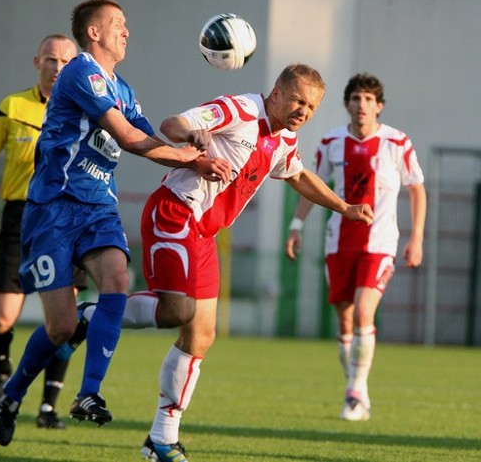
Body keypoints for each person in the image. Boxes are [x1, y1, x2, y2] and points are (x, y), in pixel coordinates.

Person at [0, 0, 230, 447]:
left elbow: (148, 131)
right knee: (60, 327)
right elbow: (127, 137)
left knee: (118, 278)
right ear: (94, 33)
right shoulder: (80, 72)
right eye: (118, 23)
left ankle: (88, 393)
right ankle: (12, 393)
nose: (127, 31)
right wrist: (187, 158)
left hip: (98, 207)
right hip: (53, 209)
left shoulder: (123, 88)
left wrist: (191, 143)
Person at [116, 64, 374, 462]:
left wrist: (343, 207)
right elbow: (173, 123)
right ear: (275, 93)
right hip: (176, 213)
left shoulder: (284, 140)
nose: (303, 111)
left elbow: (299, 175)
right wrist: (192, 135)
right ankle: (97, 315)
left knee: (200, 336)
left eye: (312, 106)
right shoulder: (240, 109)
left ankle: (161, 439)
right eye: (298, 100)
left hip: (204, 234)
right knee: (176, 312)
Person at [285, 73, 426, 422]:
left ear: (378, 106)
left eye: (368, 99)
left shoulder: (397, 142)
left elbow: (417, 188)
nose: (361, 105)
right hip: (339, 241)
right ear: (347, 104)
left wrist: (417, 237)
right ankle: (355, 390)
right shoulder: (331, 142)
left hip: (380, 242)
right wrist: (296, 226)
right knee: (345, 320)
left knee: (364, 312)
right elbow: (311, 185)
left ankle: (356, 391)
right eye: (355, 98)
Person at [0, 33, 85, 429]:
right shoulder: (12, 106)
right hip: (20, 217)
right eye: (50, 60)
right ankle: (2, 369)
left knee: (64, 318)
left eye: (66, 62)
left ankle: (49, 406)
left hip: (65, 217)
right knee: (2, 318)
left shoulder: (87, 110)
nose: (57, 68)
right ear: (37, 62)